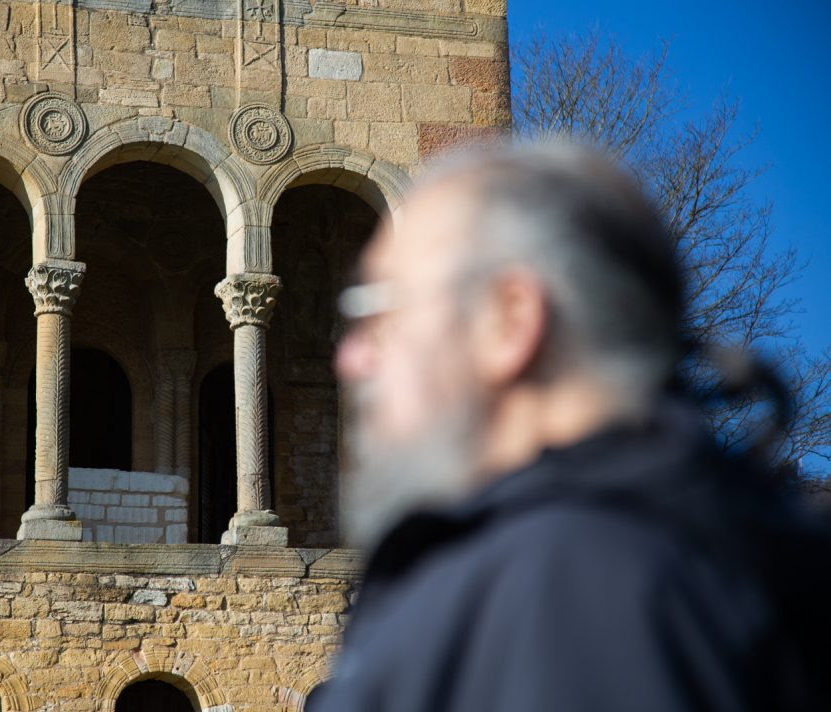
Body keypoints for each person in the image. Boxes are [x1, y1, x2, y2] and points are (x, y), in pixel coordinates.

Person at [310, 143, 831, 712]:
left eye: (378, 311)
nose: (351, 359)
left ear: (507, 320)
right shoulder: (713, 548)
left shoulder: (565, 585)